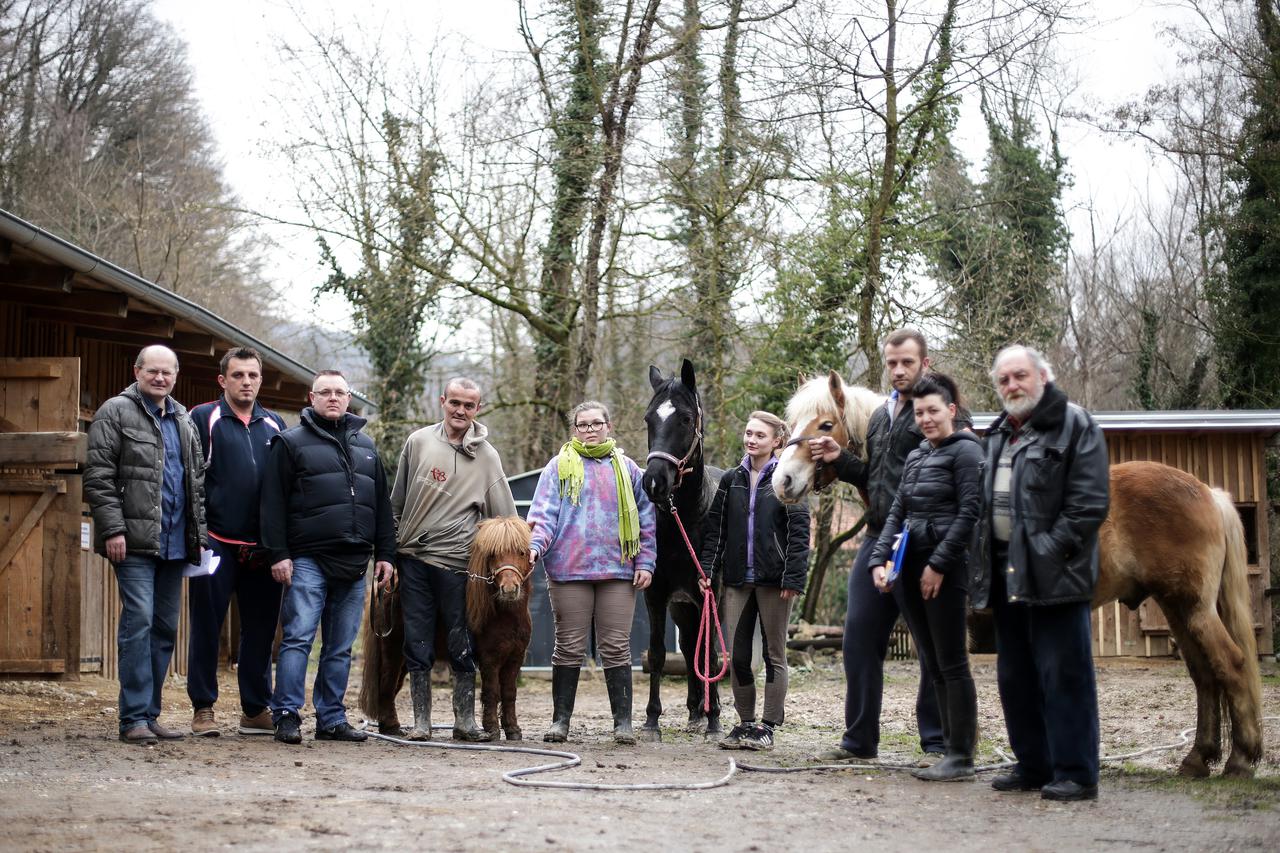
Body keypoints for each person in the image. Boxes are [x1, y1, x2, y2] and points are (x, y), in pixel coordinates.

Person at [808, 328, 960, 761]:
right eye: (891, 363)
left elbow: (955, 470)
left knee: (931, 647)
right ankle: (859, 741)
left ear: (925, 364)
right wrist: (843, 460)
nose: (898, 370)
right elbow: (878, 481)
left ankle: (936, 740)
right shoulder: (880, 416)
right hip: (879, 538)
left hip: (924, 541)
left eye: (907, 362)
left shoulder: (939, 414)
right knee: (858, 640)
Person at [971, 345, 1109, 801]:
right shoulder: (997, 435)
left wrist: (1046, 552)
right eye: (1004, 380)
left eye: (1020, 376)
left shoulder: (1075, 423)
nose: (1012, 385)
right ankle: (1034, 764)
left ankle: (1076, 772)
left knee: (1064, 675)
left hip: (1055, 576)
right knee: (1017, 677)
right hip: (1007, 575)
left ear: (1043, 376)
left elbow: (1088, 505)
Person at [260, 370, 396, 745]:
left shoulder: (366, 446)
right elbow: (272, 504)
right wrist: (279, 554)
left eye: (340, 392)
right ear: (311, 397)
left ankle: (332, 719)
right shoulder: (289, 443)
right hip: (307, 559)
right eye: (326, 392)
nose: (333, 398)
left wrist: (385, 554)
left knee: (339, 646)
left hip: (355, 564)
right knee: (299, 638)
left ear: (349, 398)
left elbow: (381, 508)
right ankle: (286, 715)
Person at [85, 345, 207, 745]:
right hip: (133, 543)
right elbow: (99, 477)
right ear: (137, 371)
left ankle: (150, 715)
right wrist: (113, 529)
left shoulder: (182, 418)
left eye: (167, 372)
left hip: (174, 544)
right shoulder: (115, 411)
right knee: (138, 621)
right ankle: (132, 718)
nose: (160, 378)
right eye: (152, 371)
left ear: (175, 375)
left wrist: (199, 539)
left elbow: (195, 486)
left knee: (164, 628)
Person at [868, 374, 983, 780]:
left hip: (945, 571)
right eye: (919, 413)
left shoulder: (967, 453)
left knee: (952, 663)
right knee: (933, 662)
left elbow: (970, 513)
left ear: (951, 410)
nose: (927, 419)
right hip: (909, 567)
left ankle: (961, 755)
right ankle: (950, 751)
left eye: (934, 411)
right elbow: (898, 510)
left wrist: (938, 565)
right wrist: (879, 561)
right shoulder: (917, 455)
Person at [391, 377, 517, 741]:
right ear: (442, 401)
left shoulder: (487, 457)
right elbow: (396, 503)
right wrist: (392, 549)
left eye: (469, 405)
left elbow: (505, 519)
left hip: (460, 566)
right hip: (412, 560)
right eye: (454, 403)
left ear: (478, 409)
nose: (460, 410)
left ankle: (464, 722)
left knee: (462, 640)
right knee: (416, 639)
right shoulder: (418, 442)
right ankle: (421, 723)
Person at [526, 401, 657, 745]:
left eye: (596, 423)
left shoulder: (629, 469)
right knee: (568, 647)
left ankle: (623, 724)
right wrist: (534, 547)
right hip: (569, 570)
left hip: (618, 570)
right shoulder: (558, 468)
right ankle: (560, 722)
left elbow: (646, 520)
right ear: (574, 429)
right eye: (582, 425)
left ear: (608, 426)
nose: (589, 429)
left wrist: (645, 562)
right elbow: (543, 515)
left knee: (616, 647)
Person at [186, 347, 287, 737]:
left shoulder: (275, 423)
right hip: (215, 543)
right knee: (207, 625)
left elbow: (282, 488)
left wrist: (279, 543)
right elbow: (190, 478)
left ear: (260, 379)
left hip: (261, 547)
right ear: (222, 380)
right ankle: (203, 707)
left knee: (261, 629)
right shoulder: (203, 418)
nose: (246, 382)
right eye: (238, 375)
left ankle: (255, 708)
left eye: (253, 375)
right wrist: (197, 535)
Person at [700, 411, 810, 751]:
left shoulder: (787, 478)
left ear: (776, 441)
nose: (751, 439)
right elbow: (715, 531)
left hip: (775, 582)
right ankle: (745, 722)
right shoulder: (731, 480)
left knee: (776, 653)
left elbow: (799, 533)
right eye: (748, 433)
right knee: (737, 655)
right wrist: (707, 570)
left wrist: (793, 576)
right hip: (736, 581)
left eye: (759, 435)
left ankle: (768, 726)